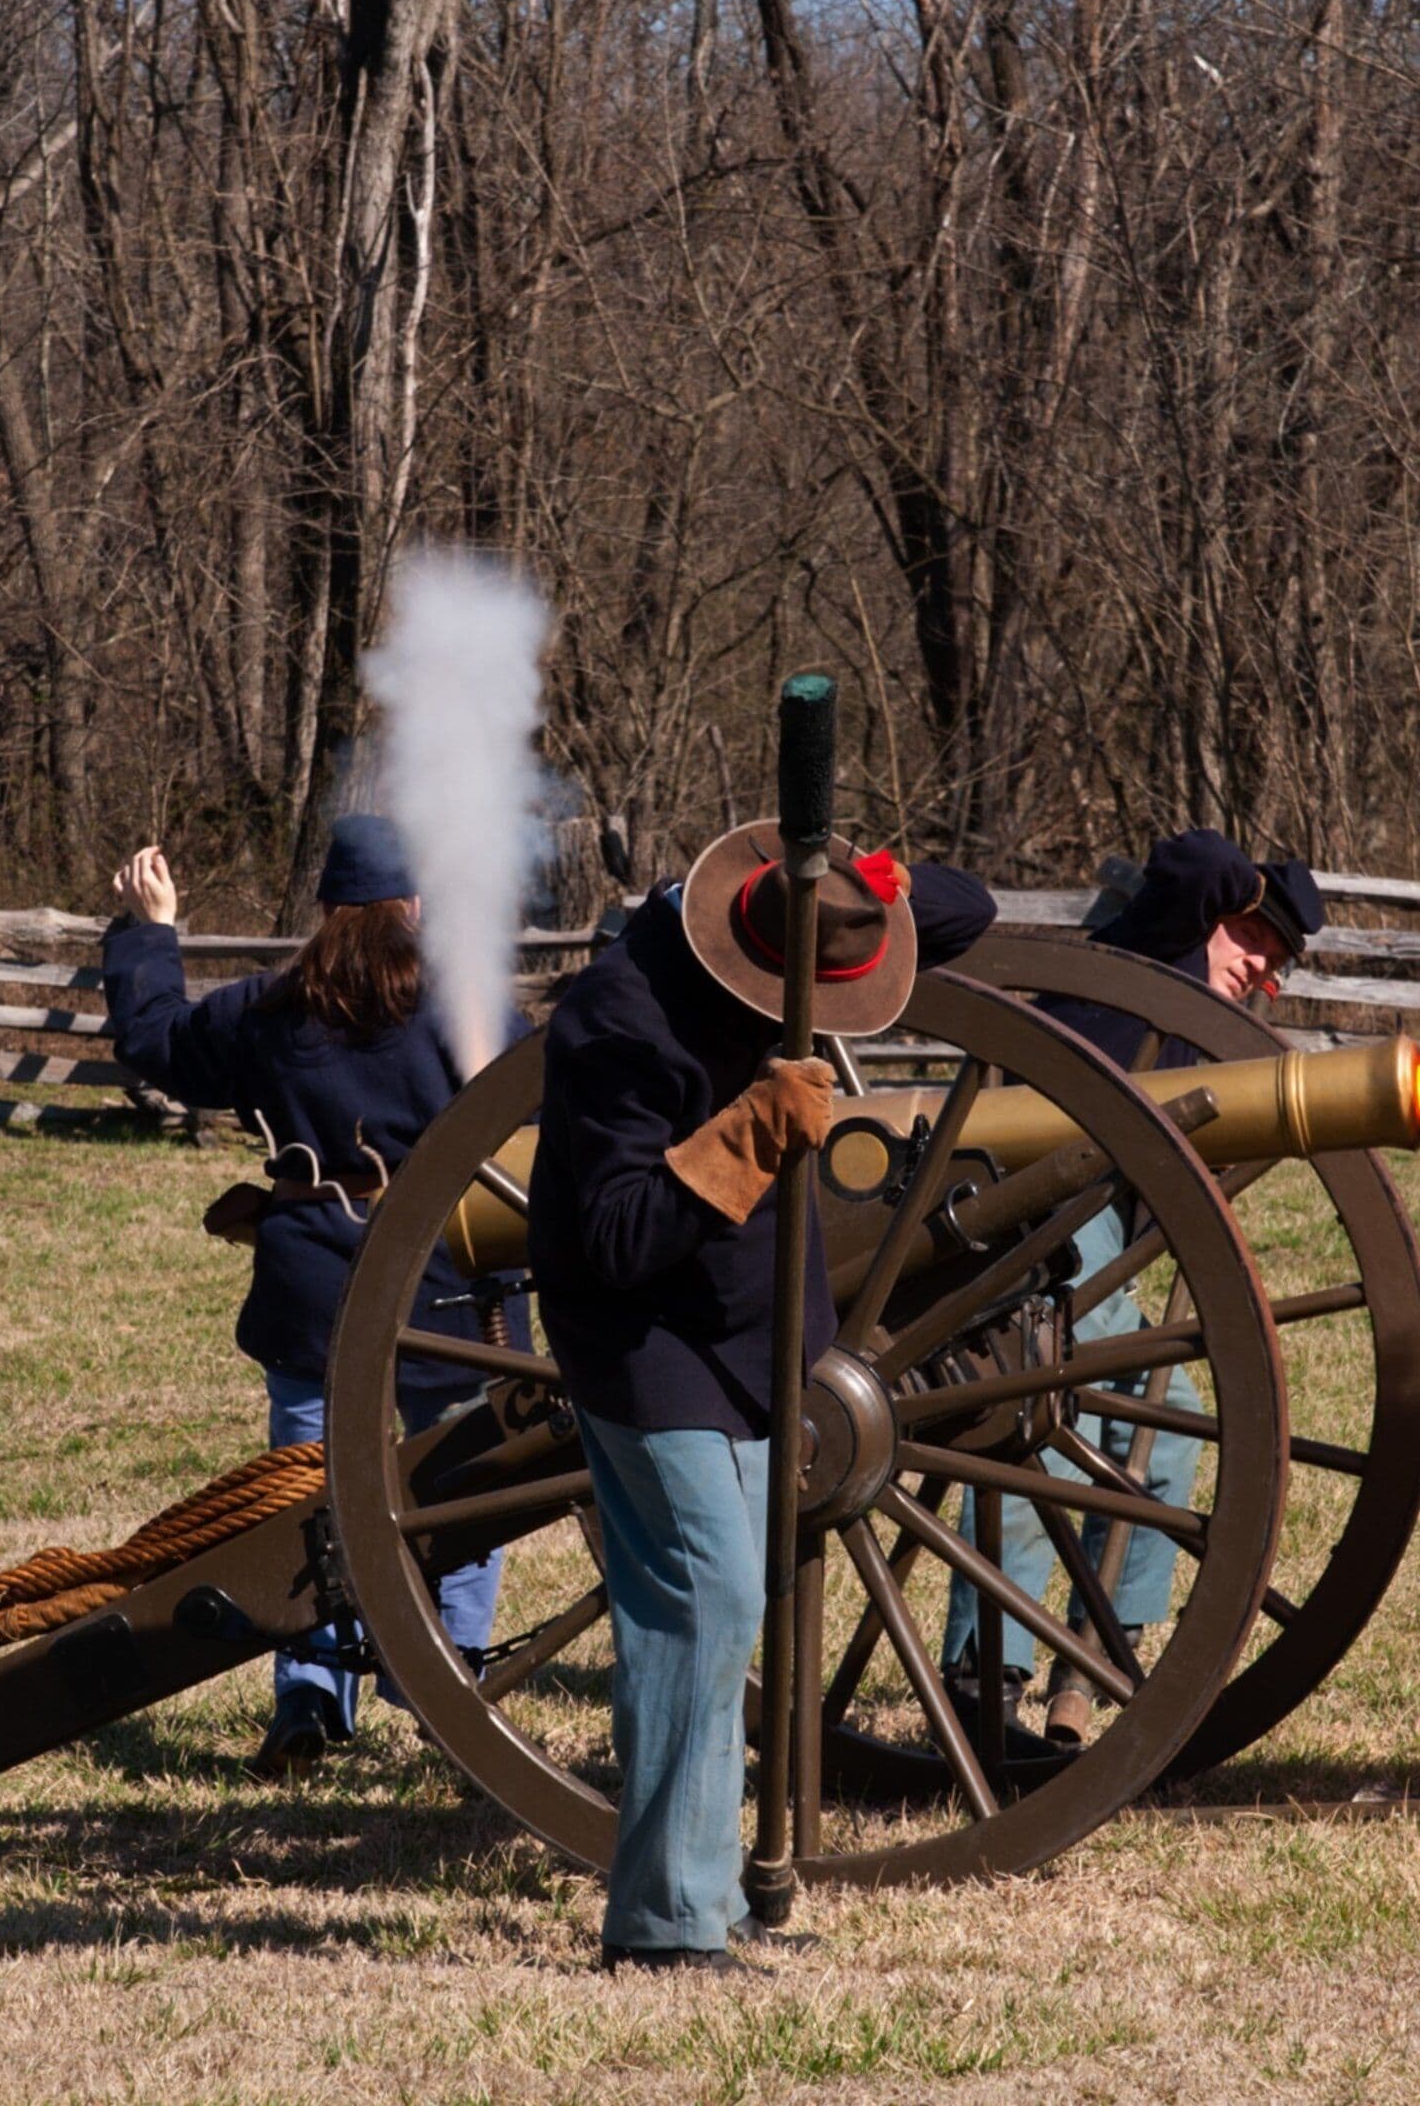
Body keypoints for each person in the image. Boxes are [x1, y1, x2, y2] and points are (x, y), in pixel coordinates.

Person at [532, 823, 993, 1972]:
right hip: (647, 1343)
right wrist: (742, 1138)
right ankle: (663, 1928)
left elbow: (968, 908)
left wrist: (851, 887)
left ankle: (704, 1892)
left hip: (758, 1341)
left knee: (716, 1613)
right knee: (705, 1598)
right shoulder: (620, 1018)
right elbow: (616, 1234)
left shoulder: (799, 925)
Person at [101, 814, 525, 1772]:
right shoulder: (467, 1004)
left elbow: (155, 1040)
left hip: (317, 1288)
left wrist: (147, 930)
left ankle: (308, 1696)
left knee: (307, 1500)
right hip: (450, 1285)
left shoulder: (267, 1008)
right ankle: (446, 1682)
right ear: (412, 906)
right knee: (464, 1489)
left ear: (328, 907)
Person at [946, 828, 1323, 1745]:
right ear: (1220, 916)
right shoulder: (1158, 941)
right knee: (1058, 1423)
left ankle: (1094, 1664)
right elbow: (1190, 860)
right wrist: (1240, 890)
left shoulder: (1207, 1034)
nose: (1259, 966)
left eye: (1277, 961)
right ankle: (985, 1677)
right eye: (1253, 938)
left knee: (1159, 1437)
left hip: (1090, 1224)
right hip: (1028, 1193)